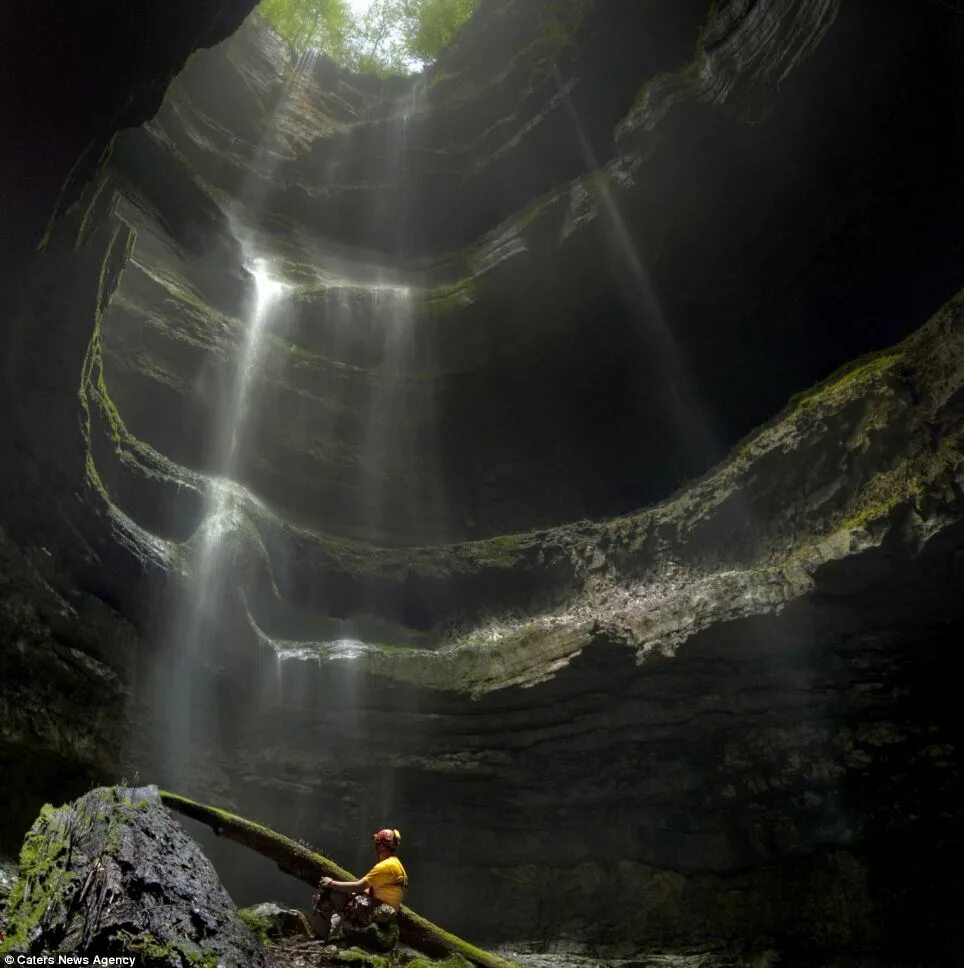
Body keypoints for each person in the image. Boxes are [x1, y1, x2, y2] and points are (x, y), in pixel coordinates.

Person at [313, 828, 408, 951]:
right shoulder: (397, 865)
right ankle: (332, 936)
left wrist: (331, 883)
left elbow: (359, 886)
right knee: (347, 900)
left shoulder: (385, 866)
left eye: (377, 844)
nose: (375, 848)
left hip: (373, 914)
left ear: (381, 847)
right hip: (384, 914)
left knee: (329, 893)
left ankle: (319, 941)